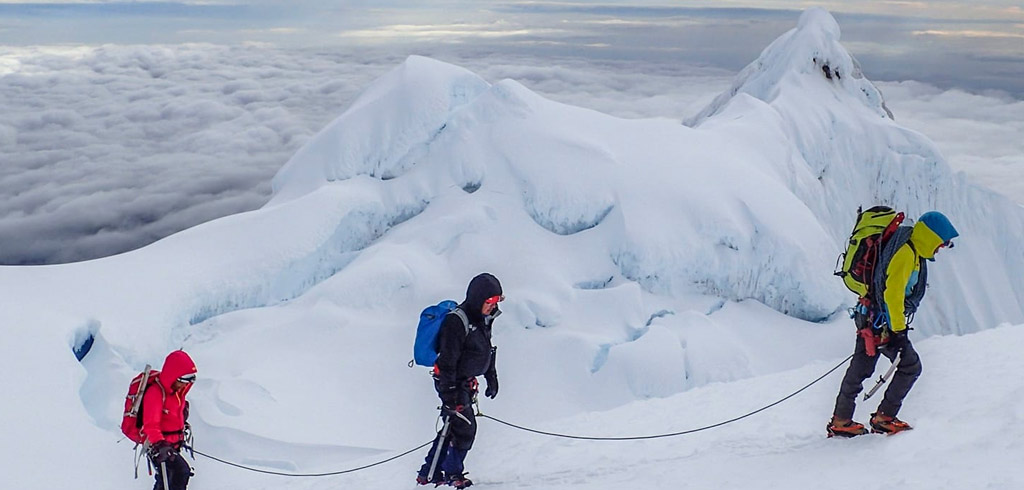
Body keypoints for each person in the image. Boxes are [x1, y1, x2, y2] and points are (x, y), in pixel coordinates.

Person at [827, 211, 958, 437]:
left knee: (861, 369)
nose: (941, 248)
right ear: (930, 237)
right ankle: (883, 418)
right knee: (910, 366)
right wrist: (898, 330)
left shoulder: (910, 248)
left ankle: (842, 420)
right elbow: (892, 294)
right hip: (882, 322)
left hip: (871, 317)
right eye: (941, 242)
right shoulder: (906, 254)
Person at [417, 273, 503, 488]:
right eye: (489, 302)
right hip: (452, 382)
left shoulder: (482, 319)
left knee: (452, 425)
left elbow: (485, 349)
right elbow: (447, 361)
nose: (493, 307)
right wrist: (450, 394)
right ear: (478, 298)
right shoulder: (457, 321)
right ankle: (452, 474)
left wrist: (490, 375)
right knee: (464, 428)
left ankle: (429, 473)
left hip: (464, 381)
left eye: (496, 302)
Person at [143, 350, 198, 489]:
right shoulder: (156, 393)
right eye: (183, 381)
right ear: (174, 376)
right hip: (160, 447)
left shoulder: (176, 394)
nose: (185, 385)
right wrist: (160, 444)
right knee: (178, 474)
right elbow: (150, 424)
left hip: (172, 446)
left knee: (170, 479)